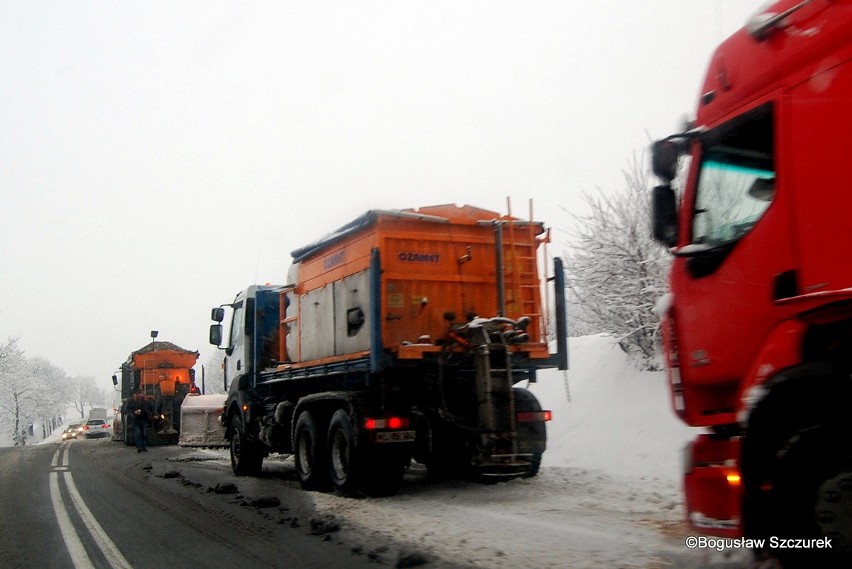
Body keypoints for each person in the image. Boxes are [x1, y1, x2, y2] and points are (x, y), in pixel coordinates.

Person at [125, 388, 152, 452]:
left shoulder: (146, 402)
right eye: (139, 394)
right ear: (136, 395)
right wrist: (134, 412)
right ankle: (139, 446)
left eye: (141, 394)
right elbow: (127, 409)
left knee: (144, 433)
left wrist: (151, 414)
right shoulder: (132, 402)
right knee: (138, 433)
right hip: (136, 419)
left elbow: (150, 409)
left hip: (143, 419)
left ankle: (143, 446)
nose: (140, 395)